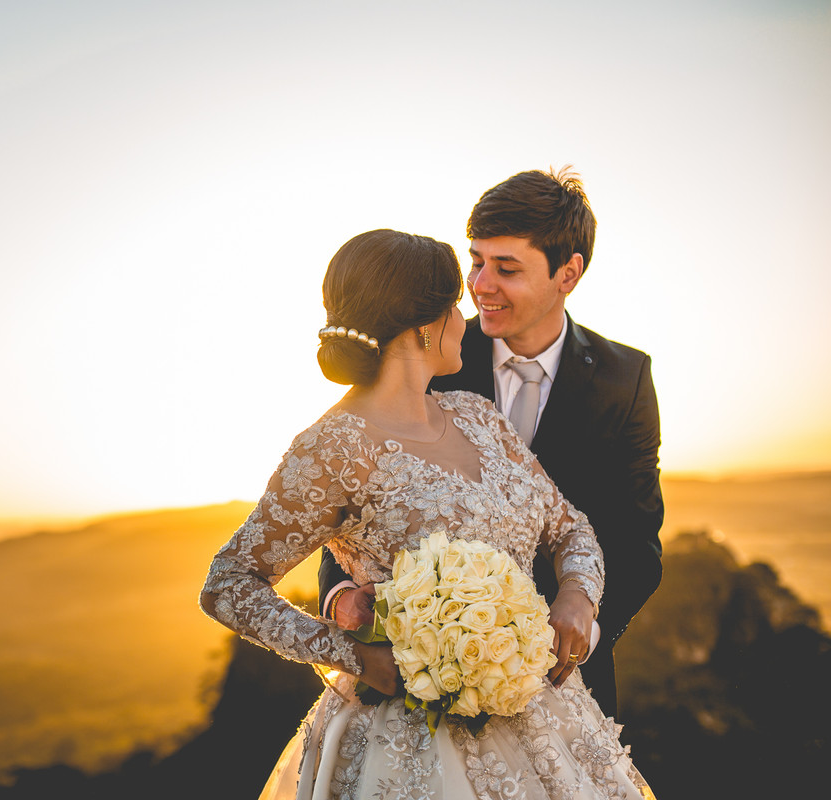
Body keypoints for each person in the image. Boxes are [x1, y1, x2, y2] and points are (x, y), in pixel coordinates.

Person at [200, 228, 654, 799]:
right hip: (407, 741)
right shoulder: (332, 448)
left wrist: (576, 595)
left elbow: (571, 529)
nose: (467, 317)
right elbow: (228, 583)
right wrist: (352, 655)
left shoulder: (477, 416)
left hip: (546, 723)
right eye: (454, 307)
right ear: (423, 326)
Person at [318, 169, 663, 719]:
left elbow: (636, 539)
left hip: (570, 691)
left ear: (567, 273)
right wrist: (340, 600)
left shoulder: (627, 381)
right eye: (476, 261)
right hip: (412, 686)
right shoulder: (429, 356)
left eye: (507, 268)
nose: (480, 285)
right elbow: (348, 505)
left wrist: (585, 615)